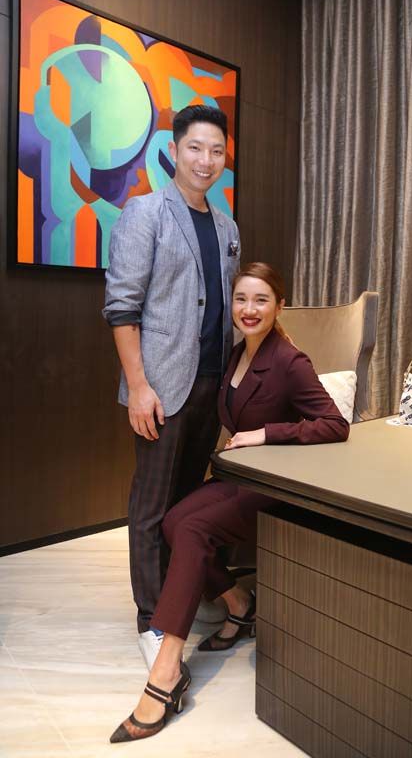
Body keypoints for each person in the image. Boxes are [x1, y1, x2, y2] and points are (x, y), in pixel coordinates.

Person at [109, 262, 350, 743]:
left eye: (261, 299)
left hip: (277, 488)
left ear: (279, 306)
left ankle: (165, 674)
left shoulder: (290, 360)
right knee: (172, 522)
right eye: (241, 299)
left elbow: (335, 425)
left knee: (192, 528)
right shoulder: (238, 353)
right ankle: (240, 603)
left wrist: (266, 433)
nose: (249, 309)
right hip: (241, 479)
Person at [103, 105, 240, 669]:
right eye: (195, 148)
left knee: (187, 508)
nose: (206, 160)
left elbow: (226, 311)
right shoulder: (146, 213)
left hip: (211, 385)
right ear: (175, 150)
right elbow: (122, 308)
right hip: (160, 388)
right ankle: (152, 620)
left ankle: (183, 599)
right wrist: (138, 386)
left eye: (216, 151)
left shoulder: (227, 226)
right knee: (151, 506)